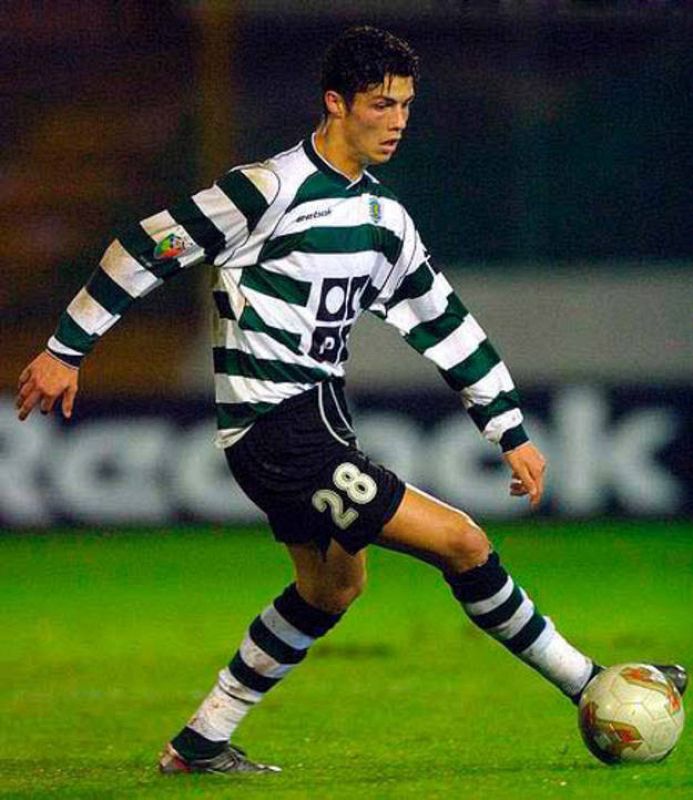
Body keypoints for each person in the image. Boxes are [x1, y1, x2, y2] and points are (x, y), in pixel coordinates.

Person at [16, 26, 686, 775]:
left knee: (332, 587)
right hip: (277, 431)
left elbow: (444, 325)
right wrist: (65, 350)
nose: (396, 120)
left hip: (321, 422)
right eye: (379, 103)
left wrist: (508, 429)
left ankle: (200, 742)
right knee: (460, 541)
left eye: (404, 104)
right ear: (334, 103)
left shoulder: (383, 222)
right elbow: (146, 247)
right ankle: (586, 682)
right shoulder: (265, 191)